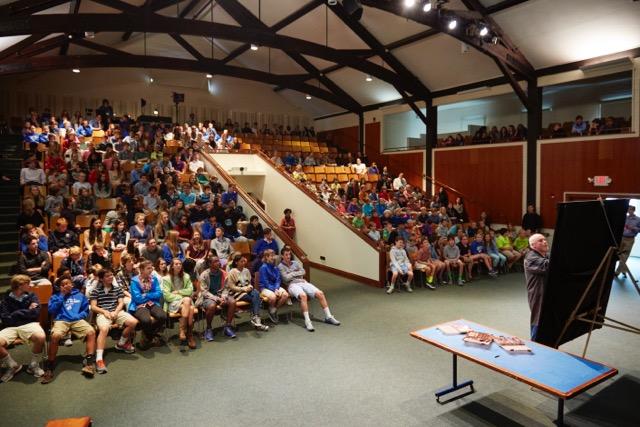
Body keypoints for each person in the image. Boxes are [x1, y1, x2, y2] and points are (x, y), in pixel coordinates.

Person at [41, 278, 97, 384]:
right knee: (55, 336)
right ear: (60, 287)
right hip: (61, 320)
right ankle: (50, 365)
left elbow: (85, 310)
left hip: (77, 320)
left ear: (72, 284)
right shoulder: (55, 296)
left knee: (91, 332)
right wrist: (62, 295)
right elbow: (51, 310)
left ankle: (89, 363)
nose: (66, 285)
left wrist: (78, 316)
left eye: (68, 283)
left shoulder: (80, 296)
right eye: (63, 284)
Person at [278, 247, 340, 331]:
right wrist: (296, 273)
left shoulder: (295, 263)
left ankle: (328, 317)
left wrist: (291, 273)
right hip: (292, 285)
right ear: (282, 256)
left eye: (289, 254)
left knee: (320, 293)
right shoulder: (280, 266)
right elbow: (285, 278)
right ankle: (308, 321)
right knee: (303, 296)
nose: (288, 256)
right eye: (286, 255)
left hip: (303, 282)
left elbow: (303, 271)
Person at [90, 269, 138, 374]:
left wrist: (116, 312)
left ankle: (121, 343)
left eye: (111, 275)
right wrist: (104, 311)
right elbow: (93, 306)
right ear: (102, 279)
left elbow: (120, 303)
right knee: (104, 328)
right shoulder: (96, 291)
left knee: (133, 322)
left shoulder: (117, 289)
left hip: (116, 312)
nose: (111, 277)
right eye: (107, 276)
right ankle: (99, 359)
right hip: (103, 313)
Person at [0, 275, 46, 383]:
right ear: (20, 285)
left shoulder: (32, 296)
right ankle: (13, 366)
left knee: (41, 337)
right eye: (28, 283)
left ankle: (33, 365)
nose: (31, 286)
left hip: (29, 324)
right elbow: (6, 319)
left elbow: (36, 312)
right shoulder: (6, 299)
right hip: (11, 326)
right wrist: (26, 311)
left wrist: (15, 313)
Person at [128, 260, 167, 350]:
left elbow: (158, 293)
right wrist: (151, 295)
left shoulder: (153, 279)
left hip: (152, 303)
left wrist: (146, 295)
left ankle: (147, 337)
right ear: (141, 270)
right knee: (146, 320)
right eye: (148, 268)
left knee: (163, 316)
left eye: (151, 268)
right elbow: (137, 298)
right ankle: (151, 337)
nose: (151, 270)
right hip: (139, 305)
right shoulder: (134, 281)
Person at [162, 259, 196, 351]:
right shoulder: (166, 279)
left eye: (180, 264)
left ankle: (183, 331)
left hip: (185, 304)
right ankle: (189, 334)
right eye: (176, 264)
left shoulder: (186, 276)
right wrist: (182, 297)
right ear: (172, 266)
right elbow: (167, 296)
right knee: (189, 304)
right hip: (172, 303)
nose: (179, 265)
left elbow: (190, 290)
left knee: (190, 306)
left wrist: (178, 292)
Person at [524, 233, 549, 341]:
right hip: (537, 293)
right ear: (533, 245)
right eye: (540, 240)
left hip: (546, 291)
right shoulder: (531, 257)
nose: (544, 241)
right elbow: (547, 266)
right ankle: (534, 344)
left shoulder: (545, 255)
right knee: (538, 320)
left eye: (544, 239)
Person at [258, 249, 289, 324]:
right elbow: (265, 282)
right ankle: (271, 310)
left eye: (274, 255)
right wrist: (274, 290)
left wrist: (276, 288)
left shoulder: (275, 267)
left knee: (285, 295)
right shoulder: (263, 267)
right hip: (265, 288)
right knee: (273, 297)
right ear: (266, 257)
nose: (273, 257)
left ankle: (273, 310)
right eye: (271, 256)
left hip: (275, 287)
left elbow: (278, 279)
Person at [616, 205, 639, 278]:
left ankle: (617, 272)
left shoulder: (638, 219)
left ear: (633, 210)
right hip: (622, 238)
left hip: (630, 239)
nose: (628, 211)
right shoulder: (625, 217)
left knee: (624, 256)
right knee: (618, 254)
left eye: (630, 210)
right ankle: (624, 269)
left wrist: (633, 228)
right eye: (628, 209)